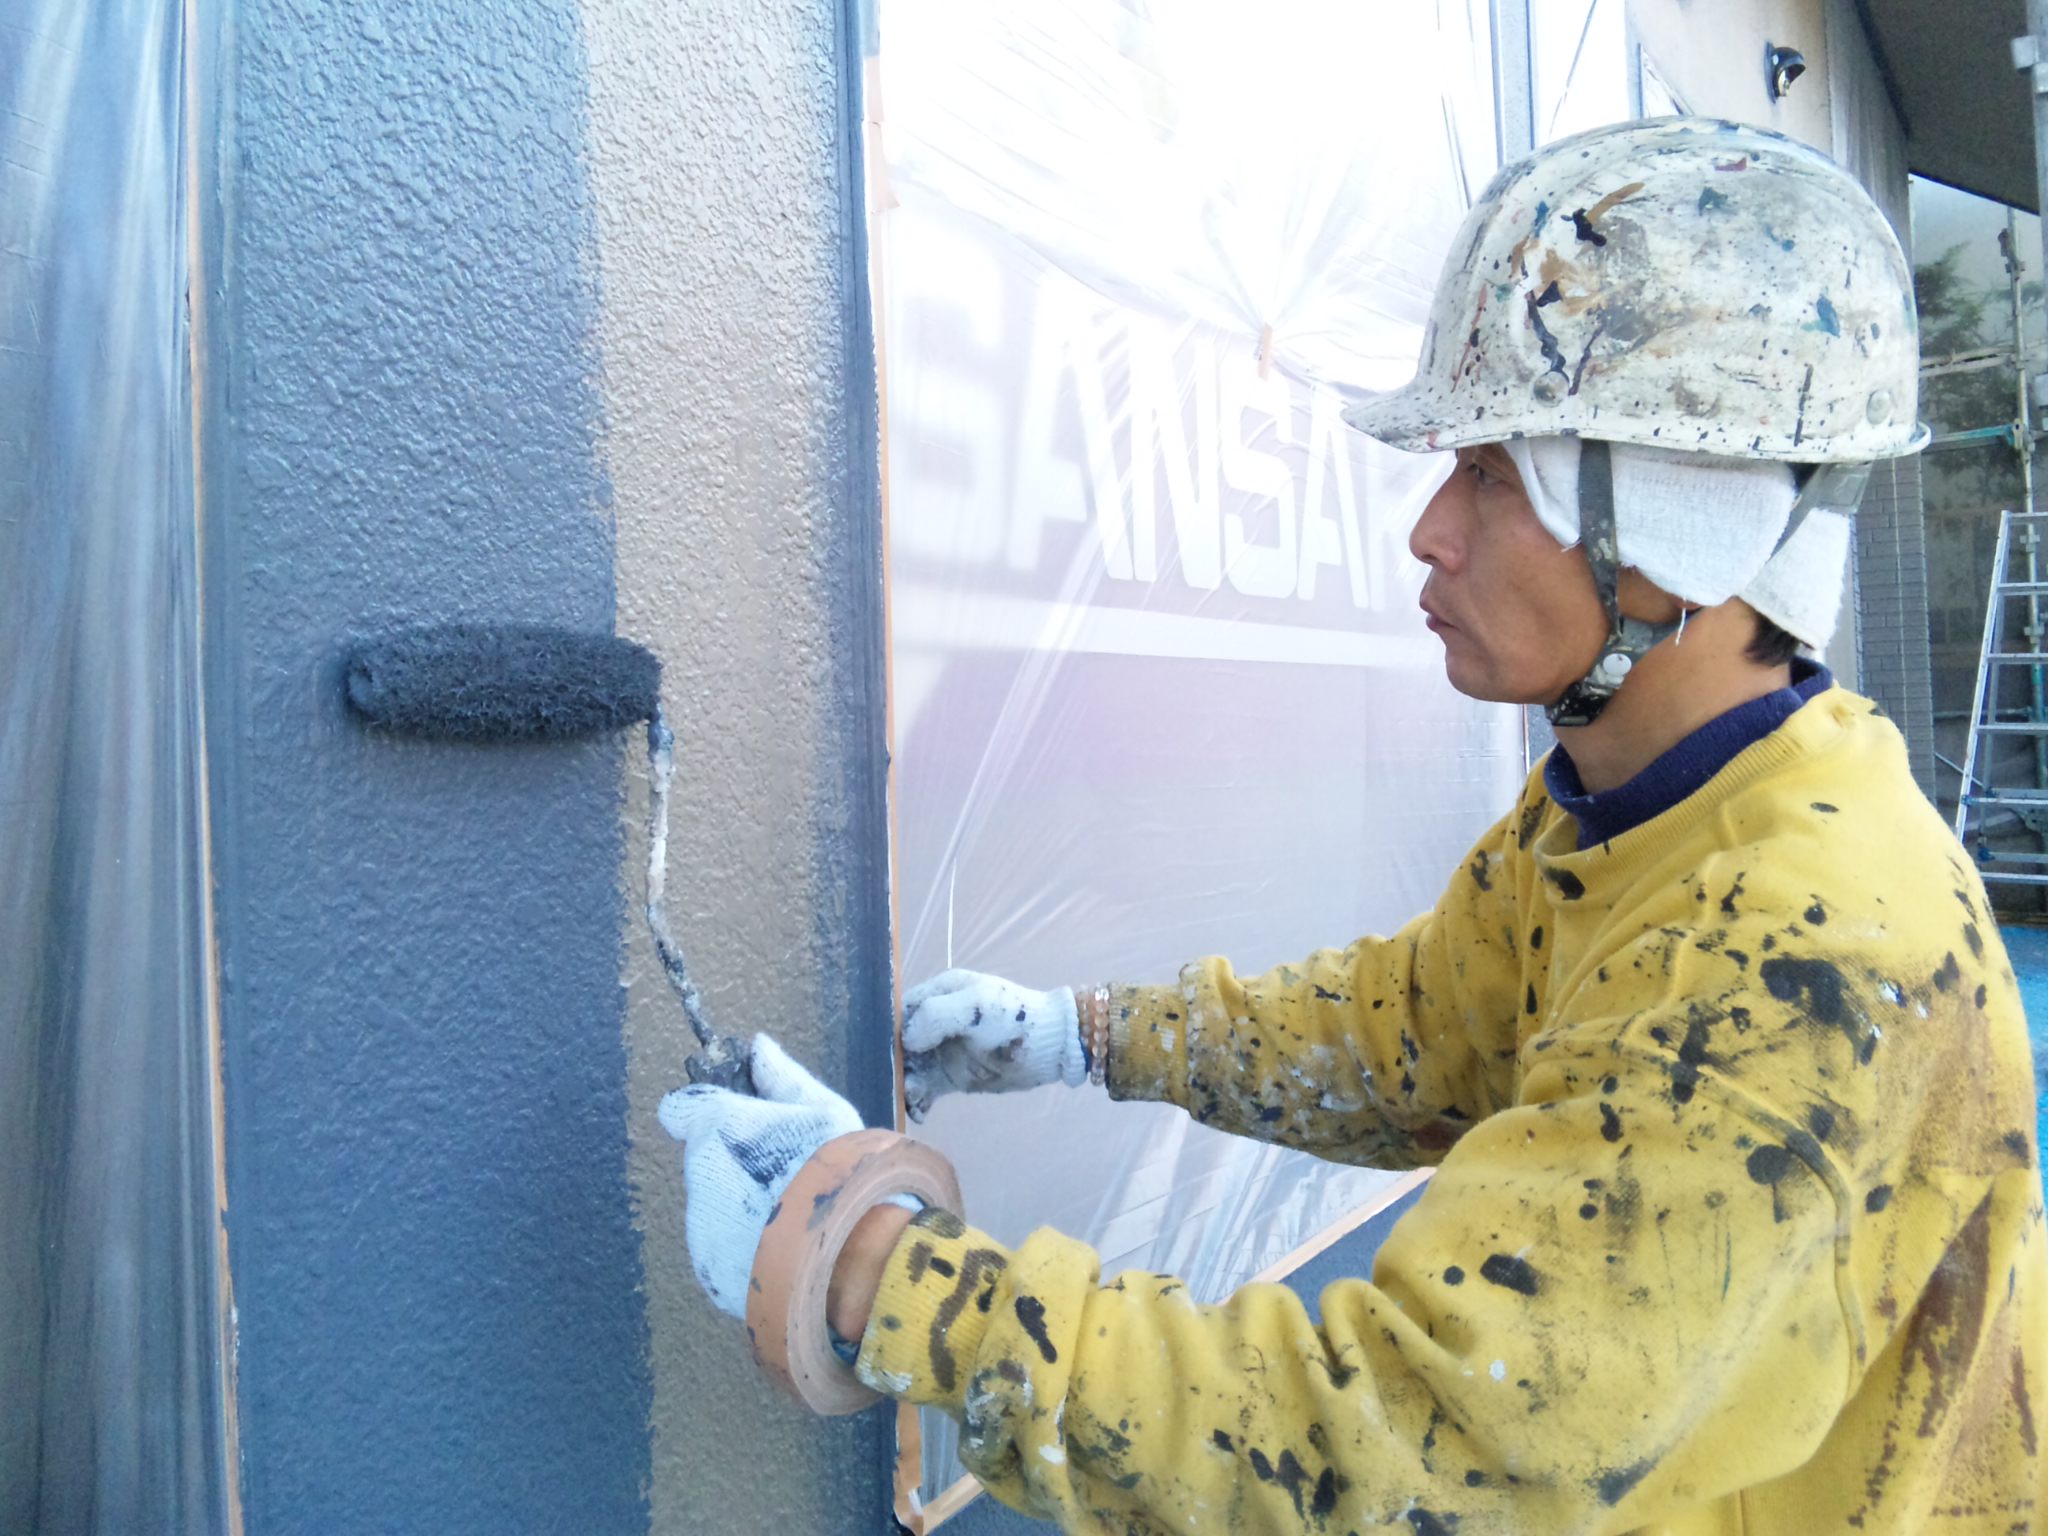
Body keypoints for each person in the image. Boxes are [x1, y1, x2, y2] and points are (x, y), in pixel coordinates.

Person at [661, 117, 2047, 1533]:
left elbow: (1386, 1453)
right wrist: (1088, 1033)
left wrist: (879, 1278)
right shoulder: (1636, 809)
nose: (1431, 531)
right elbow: (1413, 1035)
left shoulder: (1795, 960)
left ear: (1690, 516)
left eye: (1497, 475)